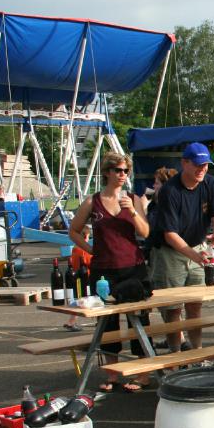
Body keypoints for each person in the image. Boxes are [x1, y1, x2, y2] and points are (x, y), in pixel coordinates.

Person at [68, 152, 152, 393]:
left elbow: (146, 232)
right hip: (104, 269)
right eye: (118, 170)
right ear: (107, 172)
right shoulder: (92, 202)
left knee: (139, 319)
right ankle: (112, 373)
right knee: (107, 322)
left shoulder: (133, 199)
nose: (122, 175)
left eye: (126, 171)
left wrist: (133, 211)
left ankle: (143, 374)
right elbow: (73, 231)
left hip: (133, 267)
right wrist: (91, 250)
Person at [149, 142, 214, 352]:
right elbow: (170, 234)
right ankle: (176, 357)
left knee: (195, 306)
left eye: (205, 165)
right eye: (198, 164)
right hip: (170, 253)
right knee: (173, 309)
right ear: (184, 163)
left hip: (198, 246)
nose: (202, 169)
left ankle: (198, 353)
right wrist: (194, 255)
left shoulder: (211, 183)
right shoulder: (169, 191)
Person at [64, 223, 93, 332]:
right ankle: (71, 322)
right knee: (84, 300)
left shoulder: (75, 249)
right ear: (86, 236)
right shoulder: (84, 250)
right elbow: (90, 263)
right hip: (86, 277)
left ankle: (71, 321)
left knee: (81, 299)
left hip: (77, 277)